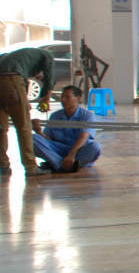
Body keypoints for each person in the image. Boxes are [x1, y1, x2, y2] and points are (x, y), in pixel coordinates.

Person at [0, 47, 54, 177]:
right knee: (24, 126)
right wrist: (46, 98)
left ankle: (3, 165)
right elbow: (49, 78)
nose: (38, 77)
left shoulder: (18, 56)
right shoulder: (47, 55)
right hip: (11, 80)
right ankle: (31, 167)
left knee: (1, 128)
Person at [32, 85, 102, 173]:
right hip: (58, 150)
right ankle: (64, 165)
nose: (63, 100)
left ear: (78, 98)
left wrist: (71, 155)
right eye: (62, 97)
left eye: (67, 97)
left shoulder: (87, 116)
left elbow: (83, 138)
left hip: (78, 151)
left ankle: (56, 164)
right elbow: (48, 139)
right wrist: (38, 131)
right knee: (32, 139)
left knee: (95, 147)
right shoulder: (55, 116)